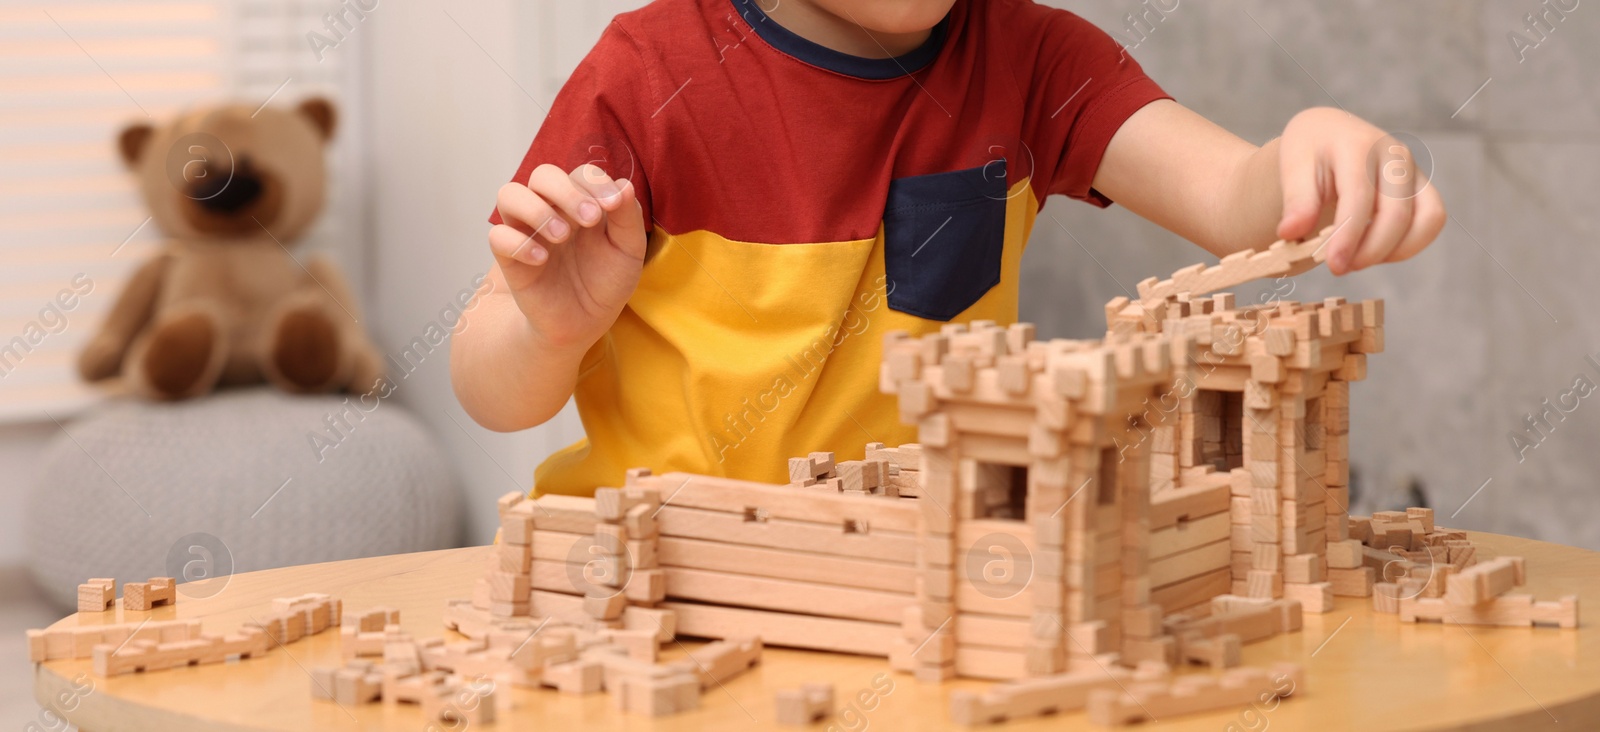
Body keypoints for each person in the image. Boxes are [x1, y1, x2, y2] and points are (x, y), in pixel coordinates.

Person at [451, 0, 1445, 497]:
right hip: (667, 586)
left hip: (929, 574)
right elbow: (492, 392)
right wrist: (553, 328)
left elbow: (1235, 199)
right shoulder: (643, 74)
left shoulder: (1030, 55)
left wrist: (1314, 155)